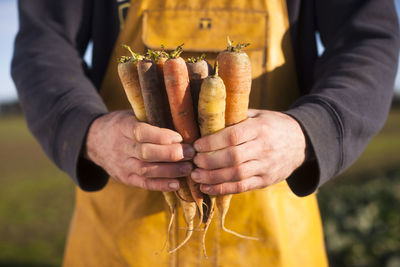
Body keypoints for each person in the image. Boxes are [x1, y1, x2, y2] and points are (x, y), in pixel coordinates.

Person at [11, 0, 399, 266]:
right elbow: (42, 43)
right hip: (121, 233)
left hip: (273, 232)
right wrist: (88, 131)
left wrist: (309, 131)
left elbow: (368, 38)